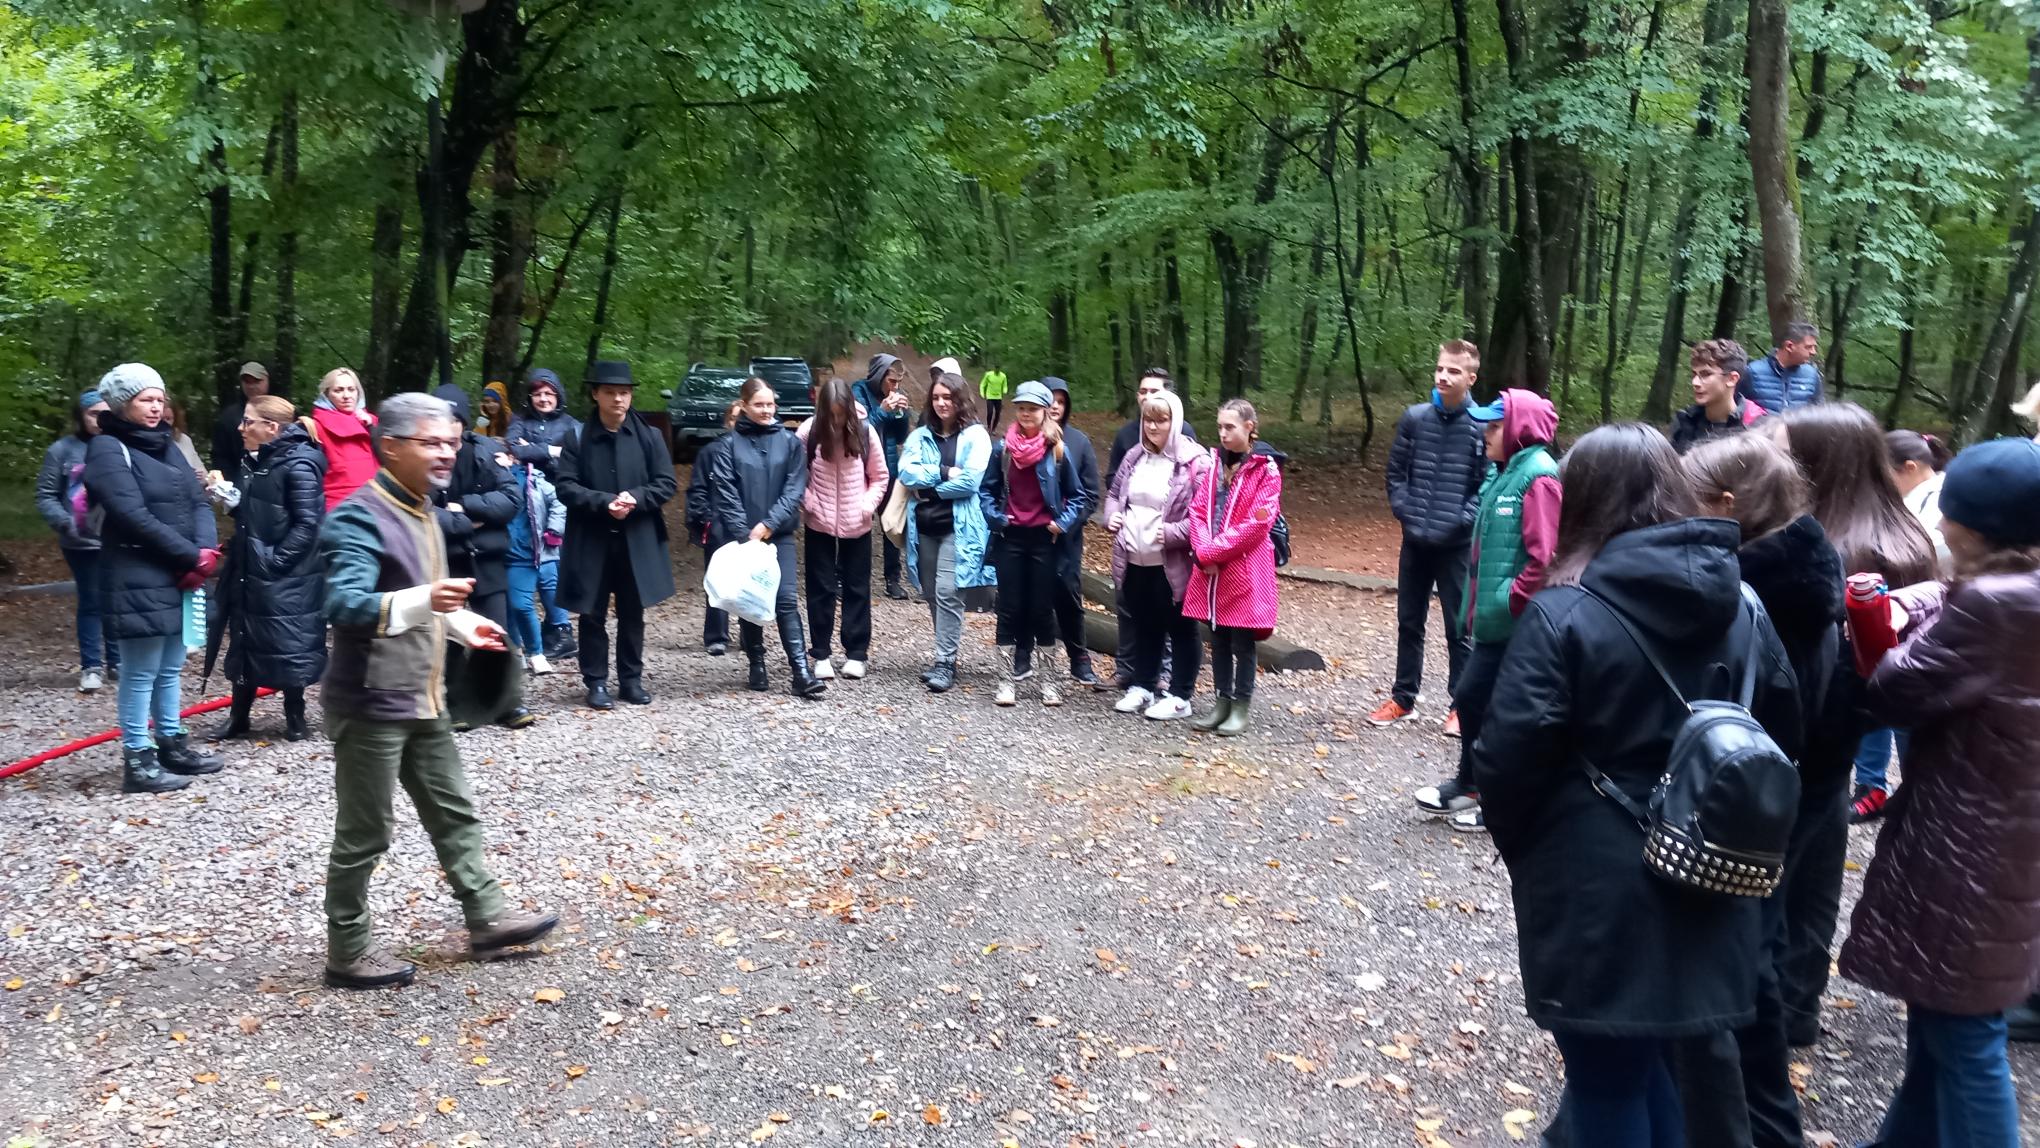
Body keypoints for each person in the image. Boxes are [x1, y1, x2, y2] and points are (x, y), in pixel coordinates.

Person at [1475, 424, 1802, 1147]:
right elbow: (1785, 730)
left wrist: (1535, 851)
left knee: (1606, 1082)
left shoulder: (1564, 613)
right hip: (1713, 872)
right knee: (1652, 1065)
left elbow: (1506, 760)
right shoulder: (1744, 604)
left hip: (1599, 889)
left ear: (1582, 499)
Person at [316, 391, 558, 990]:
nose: (447, 453)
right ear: (390, 446)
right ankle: (347, 950)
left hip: (424, 696)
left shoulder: (423, 508)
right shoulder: (358, 515)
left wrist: (463, 624)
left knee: (455, 814)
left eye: (451, 442)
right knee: (365, 832)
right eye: (432, 443)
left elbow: (420, 596)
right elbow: (342, 604)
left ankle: (488, 918)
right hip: (370, 700)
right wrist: (429, 601)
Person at [1838, 436, 2040, 1142]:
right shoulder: (2015, 596)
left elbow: (1896, 688)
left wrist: (1891, 616)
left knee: (1965, 1035)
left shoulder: (1997, 607)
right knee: (1941, 1016)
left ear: (1973, 528)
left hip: (1971, 851)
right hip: (2008, 838)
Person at [1681, 432, 1849, 1148]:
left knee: (1742, 977)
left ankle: (1765, 1128)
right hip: (1792, 797)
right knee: (1759, 960)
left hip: (1753, 811)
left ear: (1728, 507)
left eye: (1687, 500)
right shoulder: (1805, 568)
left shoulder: (1752, 592)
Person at [1771, 402, 1939, 1046]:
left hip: (1807, 732)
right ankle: (1796, 1004)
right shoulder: (1904, 535)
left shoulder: (1837, 548)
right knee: (1817, 864)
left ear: (1820, 465)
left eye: (1786, 453)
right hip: (1840, 741)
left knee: (1777, 870)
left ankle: (1768, 1007)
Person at [1413, 388, 1561, 830]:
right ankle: (1471, 784)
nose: (1485, 434)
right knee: (1473, 698)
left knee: (1487, 703)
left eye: (1495, 426)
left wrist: (1511, 600)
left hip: (1516, 623)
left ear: (1520, 429)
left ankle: (1498, 800)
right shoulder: (1504, 473)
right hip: (1495, 623)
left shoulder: (1538, 476)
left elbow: (1545, 556)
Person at [83, 364, 225, 794]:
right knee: (140, 671)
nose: (156, 406)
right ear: (123, 403)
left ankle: (171, 742)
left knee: (170, 665)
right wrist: (189, 555)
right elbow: (130, 515)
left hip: (180, 571)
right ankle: (138, 761)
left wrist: (204, 552)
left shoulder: (169, 445)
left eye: (159, 398)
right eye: (146, 399)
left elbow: (198, 501)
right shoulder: (108, 448)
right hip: (137, 571)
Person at [1373, 341, 1489, 731]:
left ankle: (1462, 705)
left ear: (1471, 378)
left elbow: (1484, 484)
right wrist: (1406, 512)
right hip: (1416, 541)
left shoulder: (1481, 425)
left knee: (1460, 629)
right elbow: (1395, 474)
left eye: (1454, 371)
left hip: (1456, 544)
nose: (1443, 376)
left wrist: (1462, 520)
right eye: (1440, 368)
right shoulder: (1414, 418)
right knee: (1410, 621)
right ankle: (1404, 698)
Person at [556, 360, 677, 710]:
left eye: (624, 393)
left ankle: (630, 680)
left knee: (632, 612)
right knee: (591, 614)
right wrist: (604, 502)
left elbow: (665, 483)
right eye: (610, 392)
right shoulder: (576, 437)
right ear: (595, 394)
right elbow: (565, 486)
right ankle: (595, 682)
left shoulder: (649, 436)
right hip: (592, 538)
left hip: (636, 538)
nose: (618, 400)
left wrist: (635, 498)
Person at [1850, 429, 1955, 824]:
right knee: (1875, 693)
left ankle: (1915, 792)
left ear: (1910, 468)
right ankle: (1873, 785)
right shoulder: (1910, 498)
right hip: (1894, 610)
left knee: (1907, 709)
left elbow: (1934, 553)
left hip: (1923, 619)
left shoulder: (1943, 498)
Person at [211, 395, 327, 744]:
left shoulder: (300, 464)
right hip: (251, 566)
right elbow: (257, 512)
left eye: (248, 421)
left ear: (271, 427)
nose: (241, 427)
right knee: (245, 636)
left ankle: (295, 715)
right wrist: (231, 502)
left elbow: (308, 525)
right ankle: (239, 716)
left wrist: (274, 561)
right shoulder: (256, 461)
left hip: (286, 572)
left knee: (289, 640)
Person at [707, 376, 825, 698]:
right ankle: (756, 662)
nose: (766, 410)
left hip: (779, 534)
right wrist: (746, 533)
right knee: (750, 598)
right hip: (744, 536)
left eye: (770, 404)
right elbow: (725, 491)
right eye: (759, 404)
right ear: (743, 406)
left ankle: (800, 671)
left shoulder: (788, 442)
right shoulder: (729, 445)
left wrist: (769, 525)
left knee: (786, 599)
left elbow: (794, 487)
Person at [428, 384, 532, 732]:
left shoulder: (485, 451)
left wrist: (467, 506)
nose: (449, 429)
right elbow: (422, 510)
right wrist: (464, 521)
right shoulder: (423, 457)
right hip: (446, 559)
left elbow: (510, 500)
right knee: (451, 636)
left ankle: (506, 702)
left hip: (487, 557)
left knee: (497, 632)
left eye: (454, 420)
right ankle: (455, 704)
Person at [980, 380, 1088, 707]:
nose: (1026, 413)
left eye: (1033, 408)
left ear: (1045, 412)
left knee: (1043, 610)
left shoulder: (1057, 450)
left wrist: (1062, 523)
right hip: (1010, 537)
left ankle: (1049, 682)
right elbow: (986, 491)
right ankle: (1005, 682)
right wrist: (995, 518)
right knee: (1009, 609)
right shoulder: (1003, 449)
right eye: (1021, 407)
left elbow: (1078, 497)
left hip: (1045, 540)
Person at [1101, 389, 1207, 721]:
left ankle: (1180, 695)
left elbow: (1205, 516)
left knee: (1179, 626)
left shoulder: (1195, 463)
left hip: (1172, 562)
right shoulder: (1134, 455)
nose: (1153, 427)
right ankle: (1143, 686)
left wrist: (1175, 533)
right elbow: (1115, 493)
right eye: (1148, 419)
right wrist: (1112, 516)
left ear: (1175, 422)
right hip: (1134, 556)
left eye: (1161, 420)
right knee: (1144, 622)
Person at [1185, 399, 1285, 736]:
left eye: (1230, 427)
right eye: (1220, 427)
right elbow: (1198, 511)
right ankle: (1221, 701)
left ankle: (1241, 705)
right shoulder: (1213, 465)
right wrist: (1203, 552)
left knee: (1242, 641)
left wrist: (1211, 553)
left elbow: (1257, 524)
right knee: (1219, 638)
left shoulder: (1266, 470)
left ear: (1249, 427)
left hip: (1244, 567)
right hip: (1212, 570)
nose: (1223, 434)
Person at [899, 371, 994, 693]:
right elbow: (906, 474)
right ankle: (945, 654)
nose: (942, 403)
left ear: (960, 400)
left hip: (959, 527)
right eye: (937, 397)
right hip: (924, 527)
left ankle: (945, 661)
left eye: (948, 397)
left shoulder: (976, 436)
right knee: (929, 592)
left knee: (947, 591)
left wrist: (932, 491)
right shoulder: (920, 435)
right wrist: (942, 471)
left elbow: (971, 482)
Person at [797, 377, 888, 681]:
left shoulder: (865, 431)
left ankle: (856, 653)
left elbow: (880, 477)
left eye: (841, 414)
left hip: (857, 523)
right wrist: (810, 504)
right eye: (831, 414)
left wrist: (866, 505)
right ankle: (820, 653)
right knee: (820, 588)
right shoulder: (808, 433)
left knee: (857, 588)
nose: (836, 421)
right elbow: (795, 477)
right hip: (819, 523)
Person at [37, 390, 119, 693]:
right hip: (80, 541)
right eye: (93, 414)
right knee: (92, 601)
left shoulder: (119, 447)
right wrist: (64, 521)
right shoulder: (62, 450)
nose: (99, 420)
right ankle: (91, 666)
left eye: (105, 414)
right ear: (81, 416)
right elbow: (46, 495)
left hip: (117, 538)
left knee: (116, 600)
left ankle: (117, 661)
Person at [504, 369, 579, 659]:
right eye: (538, 394)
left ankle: (561, 630)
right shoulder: (519, 421)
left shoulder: (571, 424)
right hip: (526, 505)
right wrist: (552, 451)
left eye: (549, 393)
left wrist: (535, 449)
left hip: (559, 502)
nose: (543, 399)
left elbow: (574, 457)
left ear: (558, 396)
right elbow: (512, 448)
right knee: (533, 562)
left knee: (553, 565)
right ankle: (549, 629)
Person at [1044, 377, 1103, 687]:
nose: (1055, 405)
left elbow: (1091, 494)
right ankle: (1027, 657)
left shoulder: (1079, 442)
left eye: (1061, 400)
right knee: (1030, 596)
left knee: (1068, 594)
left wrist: (1067, 524)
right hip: (1032, 534)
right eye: (1050, 398)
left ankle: (1078, 657)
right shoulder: (1021, 438)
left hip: (1067, 537)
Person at [851, 354, 914, 600]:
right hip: (860, 470)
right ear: (879, 376)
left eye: (898, 382)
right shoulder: (858, 391)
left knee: (891, 525)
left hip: (887, 468)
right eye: (891, 381)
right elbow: (858, 431)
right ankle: (847, 576)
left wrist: (902, 415)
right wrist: (882, 410)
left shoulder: (893, 395)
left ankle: (893, 579)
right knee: (856, 524)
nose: (895, 387)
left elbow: (899, 438)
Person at [685, 403, 741, 657]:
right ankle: (716, 635)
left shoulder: (757, 451)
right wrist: (705, 518)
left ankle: (750, 634)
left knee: (747, 581)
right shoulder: (710, 452)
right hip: (717, 525)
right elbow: (697, 489)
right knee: (716, 581)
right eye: (735, 419)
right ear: (727, 421)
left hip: (750, 526)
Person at [504, 450, 565, 677]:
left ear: (513, 457)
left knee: (521, 604)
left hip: (526, 552)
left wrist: (554, 530)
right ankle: (515, 651)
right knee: (508, 606)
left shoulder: (535, 480)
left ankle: (536, 652)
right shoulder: (485, 480)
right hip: (496, 552)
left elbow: (560, 503)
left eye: (502, 456)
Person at [301, 368, 380, 511]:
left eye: (351, 389)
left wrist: (372, 428)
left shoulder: (373, 422)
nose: (346, 395)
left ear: (358, 392)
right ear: (326, 395)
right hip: (339, 505)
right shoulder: (315, 427)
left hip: (375, 502)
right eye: (338, 390)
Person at [1669, 337, 1767, 453]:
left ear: (1732, 379)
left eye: (1706, 374)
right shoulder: (1684, 423)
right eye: (1694, 374)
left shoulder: (1757, 427)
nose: (1695, 382)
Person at [1740, 320, 1823, 412]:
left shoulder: (1811, 375)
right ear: (1789, 346)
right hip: (1762, 426)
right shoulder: (1753, 372)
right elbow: (1736, 409)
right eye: (1808, 347)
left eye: (1814, 347)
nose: (1813, 352)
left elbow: (1819, 413)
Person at [209, 361, 270, 474]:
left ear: (267, 380)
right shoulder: (228, 417)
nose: (251, 386)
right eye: (247, 381)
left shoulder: (281, 411)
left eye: (256, 381)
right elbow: (220, 456)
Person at [979, 364, 1009, 431]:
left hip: (998, 397)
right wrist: (982, 393)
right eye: (996, 368)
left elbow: (1005, 385)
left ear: (1000, 369)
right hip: (990, 396)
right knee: (990, 412)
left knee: (998, 413)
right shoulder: (988, 375)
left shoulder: (1003, 376)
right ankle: (989, 426)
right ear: (994, 368)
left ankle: (994, 429)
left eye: (998, 368)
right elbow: (983, 384)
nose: (997, 369)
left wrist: (1005, 390)